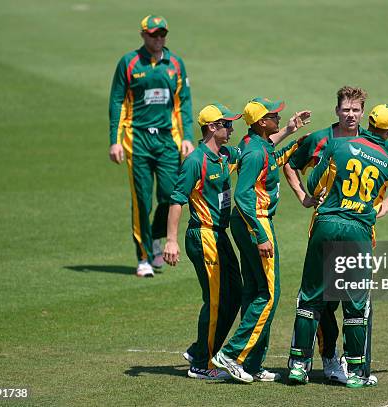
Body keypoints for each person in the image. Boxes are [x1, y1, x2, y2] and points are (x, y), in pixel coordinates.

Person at [288, 103, 388, 388]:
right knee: (356, 304)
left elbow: (313, 184)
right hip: (357, 231)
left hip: (325, 225)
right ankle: (357, 374)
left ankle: (299, 365)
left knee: (310, 298)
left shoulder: (339, 145)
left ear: (368, 122)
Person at [211, 98, 311, 383]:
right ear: (260, 123)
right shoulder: (255, 152)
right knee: (268, 294)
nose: (277, 118)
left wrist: (293, 136)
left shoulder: (254, 143)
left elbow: (272, 159)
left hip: (247, 224)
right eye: (273, 116)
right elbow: (243, 195)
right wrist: (260, 235)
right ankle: (231, 354)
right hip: (255, 222)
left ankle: (252, 364)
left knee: (254, 291)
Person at [283, 85, 369, 384]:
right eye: (345, 109)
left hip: (357, 233)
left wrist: (381, 205)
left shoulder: (370, 142)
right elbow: (290, 164)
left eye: (355, 110)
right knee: (321, 301)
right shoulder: (320, 139)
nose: (350, 115)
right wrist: (304, 197)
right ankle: (324, 360)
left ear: (362, 112)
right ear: (337, 110)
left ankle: (343, 362)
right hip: (325, 228)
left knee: (346, 300)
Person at [108, 14, 194, 277]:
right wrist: (115, 141)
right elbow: (117, 102)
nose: (158, 39)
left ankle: (156, 236)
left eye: (162, 35)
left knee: (171, 195)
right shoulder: (129, 62)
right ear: (143, 35)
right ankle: (144, 256)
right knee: (142, 201)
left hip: (168, 140)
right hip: (138, 140)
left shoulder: (175, 64)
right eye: (153, 35)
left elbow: (183, 104)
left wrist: (187, 137)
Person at [163, 103, 244, 380]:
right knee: (215, 300)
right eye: (227, 125)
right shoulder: (196, 161)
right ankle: (201, 364)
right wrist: (170, 241)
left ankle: (200, 349)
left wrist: (288, 130)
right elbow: (176, 201)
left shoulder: (224, 155)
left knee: (236, 294)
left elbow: (257, 151)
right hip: (204, 235)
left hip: (221, 236)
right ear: (212, 128)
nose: (232, 129)